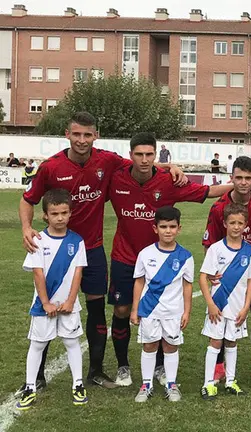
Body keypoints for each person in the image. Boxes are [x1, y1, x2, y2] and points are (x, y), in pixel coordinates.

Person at [19, 111, 186, 392]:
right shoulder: (50, 167)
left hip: (92, 249)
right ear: (67, 134)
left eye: (87, 134)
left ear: (95, 136)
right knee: (47, 307)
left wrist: (170, 167)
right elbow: (28, 199)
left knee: (96, 309)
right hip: (56, 251)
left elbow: (141, 163)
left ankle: (95, 370)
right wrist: (26, 226)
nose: (82, 140)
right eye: (76, 134)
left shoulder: (106, 160)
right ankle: (37, 375)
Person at [107, 132, 229, 388]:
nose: (144, 159)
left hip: (160, 262)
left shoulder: (168, 181)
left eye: (149, 154)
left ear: (155, 155)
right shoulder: (115, 176)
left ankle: (161, 366)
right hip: (125, 256)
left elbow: (206, 192)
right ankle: (122, 366)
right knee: (121, 310)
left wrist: (237, 185)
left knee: (160, 312)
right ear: (130, 155)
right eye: (138, 154)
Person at [15, 189, 89, 411]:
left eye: (64, 212)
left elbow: (78, 273)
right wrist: (46, 302)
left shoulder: (77, 241)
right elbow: (37, 273)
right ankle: (30, 386)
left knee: (71, 342)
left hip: (69, 304)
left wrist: (70, 301)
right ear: (45, 215)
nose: (60, 217)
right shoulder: (37, 239)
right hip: (42, 305)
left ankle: (77, 384)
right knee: (37, 344)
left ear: (70, 213)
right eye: (54, 213)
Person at [202, 156, 251, 383]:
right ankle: (219, 366)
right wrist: (212, 275)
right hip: (226, 278)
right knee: (220, 318)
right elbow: (209, 244)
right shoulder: (219, 208)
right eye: (238, 177)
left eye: (248, 178)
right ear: (230, 178)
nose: (243, 182)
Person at [129, 206, 194, 402]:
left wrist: (187, 311)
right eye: (163, 226)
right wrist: (135, 309)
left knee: (170, 346)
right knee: (149, 346)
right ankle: (146, 384)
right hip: (149, 310)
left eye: (172, 226)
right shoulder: (145, 254)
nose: (168, 231)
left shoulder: (186, 257)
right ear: (155, 228)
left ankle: (171, 384)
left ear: (179, 228)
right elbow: (139, 281)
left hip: (173, 312)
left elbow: (187, 286)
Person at [199, 203, 251, 399]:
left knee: (232, 342)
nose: (236, 227)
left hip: (237, 308)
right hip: (217, 305)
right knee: (215, 342)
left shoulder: (250, 252)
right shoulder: (216, 249)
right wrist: (210, 303)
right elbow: (203, 277)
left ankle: (231, 381)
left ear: (246, 225)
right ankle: (208, 383)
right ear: (225, 223)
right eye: (232, 222)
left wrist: (246, 307)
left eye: (240, 223)